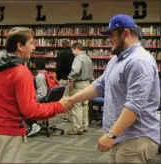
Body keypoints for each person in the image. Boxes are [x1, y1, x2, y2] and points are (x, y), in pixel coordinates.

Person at [68, 14, 160, 163]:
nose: (109, 39)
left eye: (112, 35)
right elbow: (99, 85)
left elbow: (134, 106)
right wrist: (71, 99)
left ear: (126, 34)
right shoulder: (117, 60)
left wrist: (111, 135)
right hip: (121, 136)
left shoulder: (139, 61)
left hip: (136, 138)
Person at [0, 27, 72, 163]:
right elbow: (30, 110)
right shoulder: (22, 73)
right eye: (31, 43)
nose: (34, 47)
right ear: (20, 46)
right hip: (10, 134)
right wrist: (59, 106)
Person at [67, 42, 93, 135]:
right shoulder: (88, 58)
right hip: (87, 83)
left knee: (77, 105)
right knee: (84, 105)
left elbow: (75, 71)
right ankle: (85, 126)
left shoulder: (78, 58)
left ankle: (78, 128)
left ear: (76, 49)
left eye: (72, 50)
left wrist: (70, 78)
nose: (72, 52)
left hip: (79, 84)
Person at [26, 58, 48, 137]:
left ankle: (33, 125)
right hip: (47, 98)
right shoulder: (46, 73)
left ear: (35, 65)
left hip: (42, 99)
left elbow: (42, 93)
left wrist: (32, 98)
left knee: (23, 106)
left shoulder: (39, 76)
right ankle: (33, 123)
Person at [56, 39, 75, 121]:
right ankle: (71, 114)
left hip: (63, 78)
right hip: (72, 79)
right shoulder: (74, 53)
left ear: (63, 45)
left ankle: (65, 115)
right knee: (71, 97)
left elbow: (59, 66)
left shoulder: (61, 54)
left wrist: (58, 77)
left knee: (64, 97)